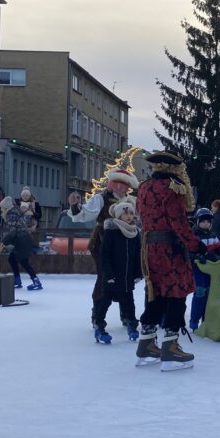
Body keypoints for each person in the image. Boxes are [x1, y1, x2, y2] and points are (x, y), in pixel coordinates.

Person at [136, 150, 203, 372]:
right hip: (170, 248)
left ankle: (146, 344)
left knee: (154, 291)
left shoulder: (144, 187)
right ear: (174, 168)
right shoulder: (173, 187)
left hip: (148, 247)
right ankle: (171, 347)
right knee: (176, 292)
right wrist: (195, 246)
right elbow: (178, 222)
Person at [69, 168, 138, 333]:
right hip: (103, 242)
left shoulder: (130, 200)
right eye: (116, 183)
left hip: (125, 243)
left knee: (125, 277)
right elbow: (86, 213)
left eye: (123, 184)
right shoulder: (101, 198)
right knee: (105, 277)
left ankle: (126, 314)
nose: (119, 187)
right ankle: (97, 315)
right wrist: (75, 206)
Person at [96, 199, 142, 344]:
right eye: (125, 213)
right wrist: (108, 273)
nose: (129, 216)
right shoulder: (111, 232)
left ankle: (132, 324)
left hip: (127, 276)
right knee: (105, 301)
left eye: (131, 213)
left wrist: (138, 273)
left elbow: (137, 255)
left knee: (129, 302)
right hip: (113, 276)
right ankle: (99, 326)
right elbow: (104, 254)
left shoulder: (135, 233)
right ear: (118, 215)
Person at [188, 208, 220, 331]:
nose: (205, 224)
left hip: (211, 270)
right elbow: (188, 252)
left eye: (208, 221)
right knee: (200, 292)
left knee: (209, 293)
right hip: (198, 269)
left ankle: (206, 318)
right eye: (203, 221)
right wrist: (197, 257)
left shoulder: (213, 235)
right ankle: (194, 320)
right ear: (197, 222)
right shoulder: (194, 236)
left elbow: (219, 248)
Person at [0, 196, 42, 290]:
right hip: (22, 239)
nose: (1, 210)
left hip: (22, 239)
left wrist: (3, 242)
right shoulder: (14, 212)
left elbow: (13, 232)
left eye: (2, 208)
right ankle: (17, 280)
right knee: (12, 259)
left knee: (23, 261)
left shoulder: (10, 215)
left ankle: (36, 281)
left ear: (6, 207)